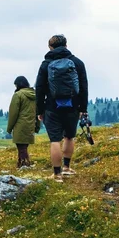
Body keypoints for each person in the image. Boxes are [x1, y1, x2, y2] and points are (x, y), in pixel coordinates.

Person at [35, 34, 88, 182]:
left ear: (50, 47)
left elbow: (39, 88)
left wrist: (39, 110)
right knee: (69, 136)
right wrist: (83, 108)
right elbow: (83, 87)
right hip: (72, 106)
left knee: (55, 140)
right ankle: (66, 167)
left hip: (52, 107)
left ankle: (57, 174)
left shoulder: (46, 64)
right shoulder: (77, 63)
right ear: (66, 45)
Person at [7, 76, 39, 168]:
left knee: (21, 147)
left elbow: (13, 113)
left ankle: (24, 164)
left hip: (20, 125)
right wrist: (37, 126)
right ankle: (21, 163)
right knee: (24, 146)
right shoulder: (34, 95)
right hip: (31, 124)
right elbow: (38, 111)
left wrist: (9, 128)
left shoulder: (18, 95)